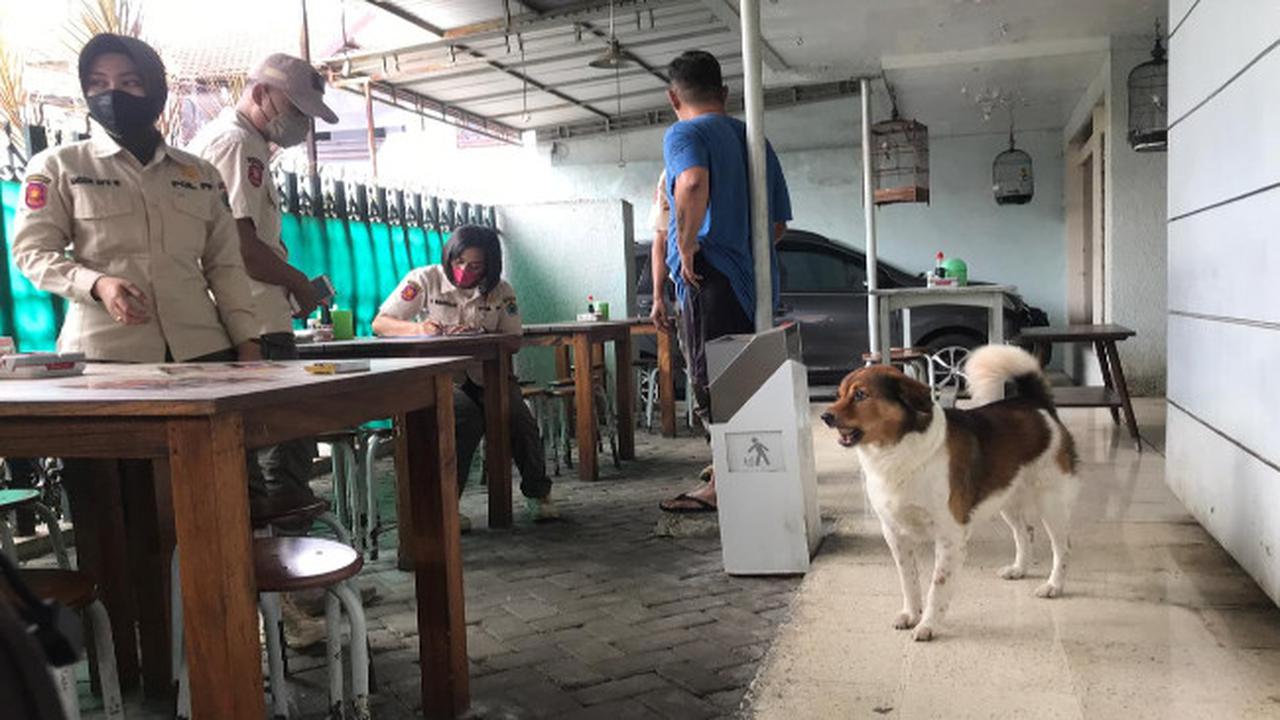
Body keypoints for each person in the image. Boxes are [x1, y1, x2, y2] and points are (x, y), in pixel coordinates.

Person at [187, 53, 340, 508]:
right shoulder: (238, 144)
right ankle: (283, 563)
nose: (302, 125)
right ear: (259, 94)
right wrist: (298, 282)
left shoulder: (240, 143)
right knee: (282, 452)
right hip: (253, 321)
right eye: (297, 111)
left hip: (252, 315)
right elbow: (240, 245)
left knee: (269, 454)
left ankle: (274, 560)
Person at [656, 50, 792, 514]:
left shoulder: (684, 132)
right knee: (747, 381)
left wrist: (689, 241)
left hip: (707, 278)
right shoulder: (755, 139)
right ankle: (738, 476)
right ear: (725, 92)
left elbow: (692, 182)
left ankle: (724, 486)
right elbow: (777, 227)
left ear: (674, 96)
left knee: (712, 381)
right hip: (753, 285)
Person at [373, 225, 558, 527]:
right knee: (464, 420)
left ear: (490, 265)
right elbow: (381, 323)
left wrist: (480, 334)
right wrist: (420, 330)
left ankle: (538, 494)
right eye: (459, 262)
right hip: (443, 378)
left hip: (491, 376)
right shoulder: (425, 280)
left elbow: (512, 340)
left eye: (475, 266)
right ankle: (446, 507)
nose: (463, 271)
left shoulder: (501, 290)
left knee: (518, 419)